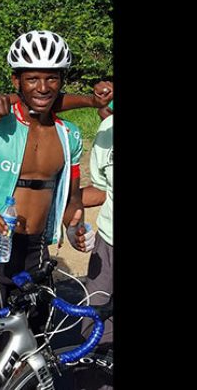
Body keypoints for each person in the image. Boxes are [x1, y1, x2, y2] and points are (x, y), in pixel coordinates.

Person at [0, 29, 92, 386]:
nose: (43, 87)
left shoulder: (70, 135)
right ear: (16, 79)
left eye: (52, 78)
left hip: (35, 250)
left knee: (29, 347)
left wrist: (74, 226)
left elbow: (73, 197)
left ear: (62, 81)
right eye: (32, 78)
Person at [80, 109, 113, 344]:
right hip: (107, 244)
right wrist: (62, 202)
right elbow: (101, 188)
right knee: (95, 329)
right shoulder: (108, 128)